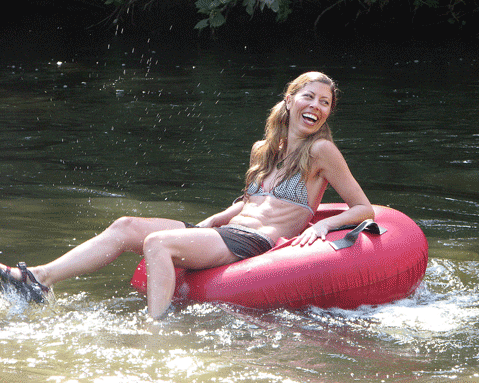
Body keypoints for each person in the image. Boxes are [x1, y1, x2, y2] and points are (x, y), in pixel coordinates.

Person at [0, 71, 374, 319]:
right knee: (126, 225)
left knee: (158, 243)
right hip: (230, 231)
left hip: (256, 242)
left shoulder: (322, 153)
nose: (317, 107)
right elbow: (252, 202)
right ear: (290, 100)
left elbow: (362, 208)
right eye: (309, 97)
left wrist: (327, 227)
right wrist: (213, 220)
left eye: (325, 102)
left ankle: (155, 331)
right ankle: (37, 277)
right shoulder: (264, 148)